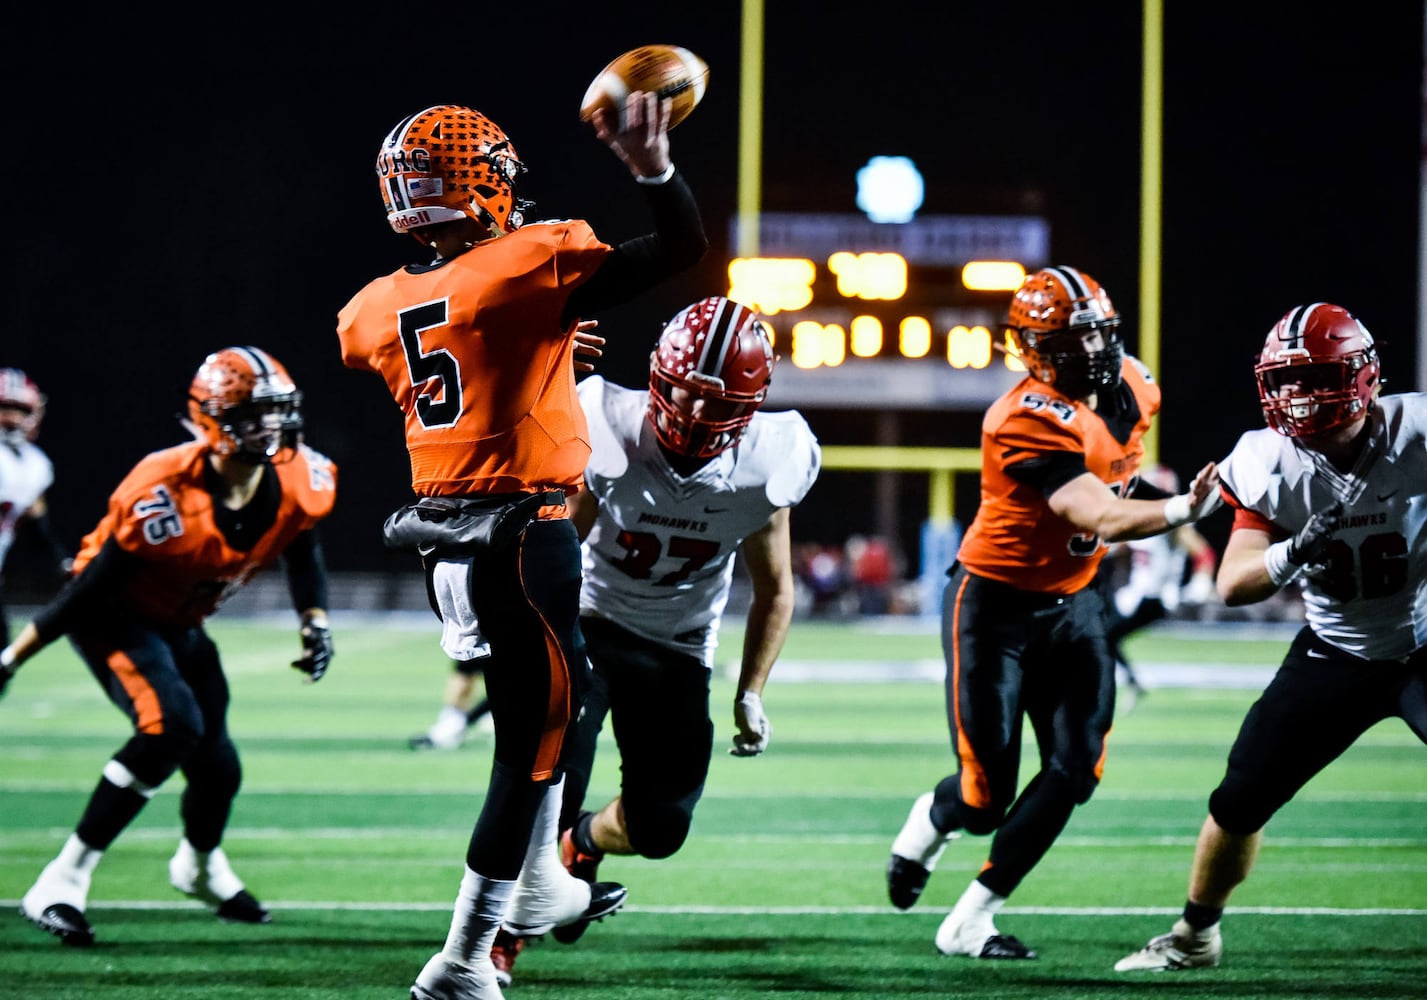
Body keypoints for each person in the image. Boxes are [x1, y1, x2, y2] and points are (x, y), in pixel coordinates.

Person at [336, 93, 707, 1000]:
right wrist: (652, 169)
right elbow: (679, 250)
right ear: (480, 184)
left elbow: (463, 350)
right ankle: (463, 960)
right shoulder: (527, 261)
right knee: (533, 748)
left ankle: (542, 878)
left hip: (443, 544)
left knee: (554, 717)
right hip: (522, 539)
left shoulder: (374, 308)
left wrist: (535, 345)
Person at [884, 265, 1221, 960]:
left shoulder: (1136, 385)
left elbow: (1119, 475)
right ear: (1035, 349)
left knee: (1075, 768)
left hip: (1075, 604)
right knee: (983, 800)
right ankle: (929, 822)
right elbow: (1094, 509)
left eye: (1099, 335)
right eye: (1073, 340)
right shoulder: (1022, 417)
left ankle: (969, 920)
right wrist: (1186, 509)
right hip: (993, 609)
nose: (1092, 352)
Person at [490, 296, 821, 985]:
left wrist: (750, 692)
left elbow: (775, 588)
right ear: (654, 377)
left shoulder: (771, 459)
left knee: (660, 827)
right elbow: (558, 543)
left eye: (717, 403)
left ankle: (581, 844)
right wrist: (533, 636)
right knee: (544, 779)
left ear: (754, 401)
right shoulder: (608, 423)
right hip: (589, 623)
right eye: (681, 395)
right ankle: (497, 941)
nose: (695, 417)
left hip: (677, 647)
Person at [1115, 302, 1427, 972]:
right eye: (1282, 380)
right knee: (1239, 797)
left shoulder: (1417, 429)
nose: (1295, 396)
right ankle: (1195, 935)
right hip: (1334, 649)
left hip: (1423, 643)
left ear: (1362, 375)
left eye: (1312, 376)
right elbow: (1232, 583)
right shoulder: (1264, 459)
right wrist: (1292, 554)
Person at [0, 347, 337, 947]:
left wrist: (315, 621)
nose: (271, 427)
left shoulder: (298, 479)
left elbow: (302, 542)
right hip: (113, 617)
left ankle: (200, 868)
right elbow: (89, 587)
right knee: (169, 727)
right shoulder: (162, 488)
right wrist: (11, 657)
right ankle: (61, 879)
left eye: (277, 412)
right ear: (212, 419)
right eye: (253, 414)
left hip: (181, 621)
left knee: (219, 766)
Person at [1102, 463, 1220, 707]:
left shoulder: (1172, 523)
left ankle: (1126, 683)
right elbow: (1120, 547)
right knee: (1102, 635)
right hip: (1136, 594)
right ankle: (1134, 680)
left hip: (1156, 597)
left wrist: (1201, 581)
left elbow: (1203, 553)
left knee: (1102, 637)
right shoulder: (1139, 519)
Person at [0, 368, 70, 647]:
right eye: (4, 407)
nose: (12, 417)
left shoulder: (35, 465)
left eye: (19, 409)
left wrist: (62, 564)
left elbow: (38, 525)